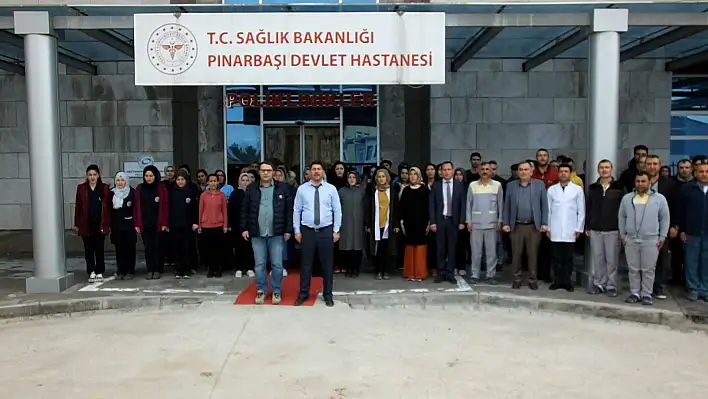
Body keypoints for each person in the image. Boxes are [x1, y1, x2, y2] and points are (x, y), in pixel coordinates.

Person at [240, 161, 293, 305]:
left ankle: (276, 289)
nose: (265, 173)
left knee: (277, 264)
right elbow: (244, 210)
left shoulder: (282, 188)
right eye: (263, 170)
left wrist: (288, 230)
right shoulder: (252, 188)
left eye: (268, 170)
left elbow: (288, 211)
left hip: (276, 233)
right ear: (259, 172)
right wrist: (244, 228)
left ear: (273, 172)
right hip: (257, 233)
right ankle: (261, 289)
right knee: (259, 264)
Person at [294, 161, 342, 307]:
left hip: (326, 231)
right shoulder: (302, 189)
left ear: (323, 172)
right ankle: (303, 294)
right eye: (313, 169)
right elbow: (297, 210)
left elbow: (337, 210)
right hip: (307, 231)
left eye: (318, 169)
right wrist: (297, 230)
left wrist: (336, 230)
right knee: (306, 265)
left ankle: (328, 294)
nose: (316, 172)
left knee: (327, 265)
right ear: (309, 172)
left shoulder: (331, 189)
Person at [619, 172, 670, 306]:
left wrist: (662, 236)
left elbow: (664, 218)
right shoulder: (627, 198)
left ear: (649, 182)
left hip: (651, 239)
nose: (640, 184)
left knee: (648, 269)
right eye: (638, 181)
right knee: (633, 268)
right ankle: (635, 292)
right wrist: (623, 235)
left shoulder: (659, 199)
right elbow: (622, 216)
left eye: (643, 181)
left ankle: (646, 294)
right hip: (631, 239)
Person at [503, 161, 548, 290]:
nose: (523, 172)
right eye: (521, 169)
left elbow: (544, 205)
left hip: (534, 226)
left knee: (532, 254)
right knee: (516, 254)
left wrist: (544, 223)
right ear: (517, 172)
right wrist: (506, 223)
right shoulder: (511, 186)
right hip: (516, 226)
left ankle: (532, 279)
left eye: (526, 169)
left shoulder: (539, 185)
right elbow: (507, 206)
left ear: (531, 171)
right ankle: (517, 278)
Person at [585, 160, 625, 297]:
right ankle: (599, 284)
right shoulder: (593, 188)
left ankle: (611, 286)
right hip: (596, 228)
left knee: (612, 260)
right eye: (601, 167)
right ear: (598, 170)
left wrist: (622, 229)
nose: (604, 170)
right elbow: (588, 208)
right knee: (598, 258)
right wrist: (588, 226)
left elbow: (624, 210)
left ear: (611, 169)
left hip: (613, 229)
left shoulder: (619, 187)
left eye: (607, 167)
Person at [645, 154, 679, 300]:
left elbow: (676, 206)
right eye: (649, 164)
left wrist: (674, 226)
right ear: (644, 166)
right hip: (643, 228)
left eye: (655, 164)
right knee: (645, 260)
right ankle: (644, 287)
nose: (652, 167)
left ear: (659, 166)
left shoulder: (670, 184)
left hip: (662, 228)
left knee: (661, 259)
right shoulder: (640, 182)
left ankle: (657, 287)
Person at [546, 164, 585, 292]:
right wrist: (548, 227)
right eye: (561, 171)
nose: (563, 173)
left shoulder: (577, 190)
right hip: (555, 229)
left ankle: (567, 282)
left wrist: (579, 228)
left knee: (568, 258)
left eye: (566, 171)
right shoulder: (552, 190)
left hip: (571, 229)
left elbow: (581, 210)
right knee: (556, 258)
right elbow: (549, 210)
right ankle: (557, 281)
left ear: (570, 173)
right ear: (558, 173)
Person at [429, 161, 467, 284]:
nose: (446, 172)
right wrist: (433, 222)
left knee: (452, 247)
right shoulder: (436, 185)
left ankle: (450, 272)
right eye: (444, 170)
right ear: (441, 171)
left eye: (449, 169)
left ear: (452, 170)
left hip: (454, 221)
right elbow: (432, 204)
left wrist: (462, 221)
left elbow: (463, 204)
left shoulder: (459, 185)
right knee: (440, 248)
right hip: (440, 220)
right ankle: (441, 272)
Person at [465, 162, 503, 285]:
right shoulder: (472, 185)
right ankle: (475, 275)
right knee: (476, 251)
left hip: (492, 223)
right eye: (483, 169)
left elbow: (501, 205)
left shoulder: (497, 185)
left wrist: (500, 220)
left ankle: (490, 275)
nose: (485, 171)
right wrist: (468, 221)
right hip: (476, 224)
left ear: (492, 171)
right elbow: (468, 205)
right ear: (478, 171)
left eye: (488, 169)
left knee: (491, 252)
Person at [74, 164, 110, 283]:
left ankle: (99, 271)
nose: (92, 177)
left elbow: (107, 207)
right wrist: (77, 224)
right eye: (90, 175)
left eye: (94, 174)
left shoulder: (104, 188)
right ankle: (91, 271)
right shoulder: (82, 188)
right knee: (88, 250)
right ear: (87, 176)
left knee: (99, 249)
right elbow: (78, 206)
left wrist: (107, 224)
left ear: (98, 175)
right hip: (86, 224)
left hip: (99, 224)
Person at [134, 165, 170, 280]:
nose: (148, 178)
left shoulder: (161, 188)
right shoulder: (140, 188)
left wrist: (165, 223)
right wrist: (137, 224)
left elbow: (165, 206)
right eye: (146, 176)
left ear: (155, 176)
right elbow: (136, 207)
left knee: (158, 247)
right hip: (145, 223)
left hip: (158, 223)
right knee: (148, 248)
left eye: (151, 176)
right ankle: (150, 270)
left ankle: (158, 269)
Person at [680, 162, 708, 302]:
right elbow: (681, 210)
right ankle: (693, 288)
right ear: (695, 173)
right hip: (692, 231)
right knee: (691, 261)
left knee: (706, 261)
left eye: (706, 171)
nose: (704, 174)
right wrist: (682, 229)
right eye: (701, 171)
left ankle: (705, 289)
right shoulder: (687, 189)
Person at [366, 168, 399, 280]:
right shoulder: (372, 191)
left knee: (387, 248)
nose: (381, 179)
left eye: (383, 176)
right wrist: (368, 225)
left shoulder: (392, 191)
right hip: (376, 223)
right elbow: (368, 209)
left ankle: (386, 270)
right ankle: (378, 270)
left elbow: (396, 208)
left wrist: (396, 224)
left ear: (387, 178)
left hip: (388, 224)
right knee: (377, 249)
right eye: (379, 177)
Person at [104, 172, 137, 281]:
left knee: (129, 248)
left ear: (126, 181)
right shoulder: (111, 193)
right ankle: (121, 270)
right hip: (117, 226)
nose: (120, 183)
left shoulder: (132, 192)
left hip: (129, 225)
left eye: (122, 180)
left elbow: (136, 210)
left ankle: (130, 270)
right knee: (119, 249)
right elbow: (107, 210)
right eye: (118, 180)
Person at [168, 169, 200, 279]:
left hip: (188, 224)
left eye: (182, 179)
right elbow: (168, 209)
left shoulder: (190, 192)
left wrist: (195, 222)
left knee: (187, 247)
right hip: (175, 224)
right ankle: (179, 269)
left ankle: (187, 269)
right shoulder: (172, 193)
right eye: (178, 179)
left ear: (186, 180)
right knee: (176, 247)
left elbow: (195, 209)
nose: (180, 182)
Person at [199, 173, 229, 278]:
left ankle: (218, 268)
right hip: (206, 225)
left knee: (218, 248)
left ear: (218, 182)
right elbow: (200, 210)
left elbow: (224, 210)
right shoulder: (203, 195)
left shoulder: (221, 195)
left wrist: (225, 225)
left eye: (215, 181)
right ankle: (210, 268)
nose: (213, 183)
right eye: (211, 181)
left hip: (218, 225)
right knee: (208, 248)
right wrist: (199, 225)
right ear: (208, 182)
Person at [338, 170, 367, 278]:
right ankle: (348, 268)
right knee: (347, 246)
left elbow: (366, 206)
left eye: (353, 177)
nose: (351, 179)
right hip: (345, 222)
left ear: (357, 178)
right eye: (349, 177)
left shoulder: (362, 191)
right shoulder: (341, 191)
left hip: (359, 222)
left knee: (357, 247)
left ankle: (356, 269)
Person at [229, 173, 255, 278]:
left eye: (247, 180)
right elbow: (230, 210)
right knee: (239, 247)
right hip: (237, 225)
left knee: (249, 248)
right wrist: (231, 224)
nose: (245, 182)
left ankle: (249, 268)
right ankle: (239, 268)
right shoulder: (235, 193)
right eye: (243, 180)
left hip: (251, 225)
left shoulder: (253, 193)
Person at [454, 167, 469, 276]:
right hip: (452, 220)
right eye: (456, 174)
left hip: (463, 220)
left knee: (462, 246)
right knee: (452, 245)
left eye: (460, 174)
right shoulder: (451, 186)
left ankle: (461, 266)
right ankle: (453, 266)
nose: (458, 176)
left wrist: (463, 221)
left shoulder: (468, 187)